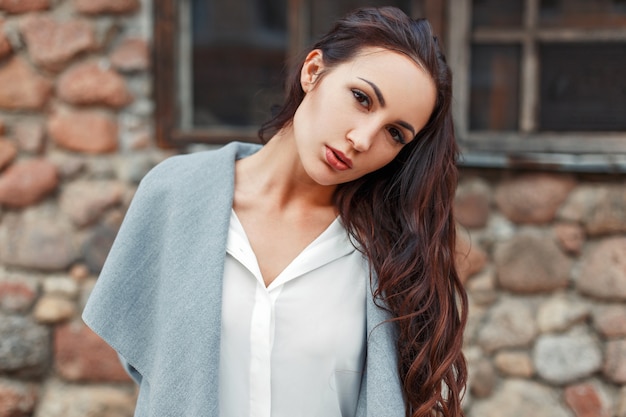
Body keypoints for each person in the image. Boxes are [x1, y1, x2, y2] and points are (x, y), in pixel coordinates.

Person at [83, 6, 467, 417]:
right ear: (313, 71)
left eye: (395, 133)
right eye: (361, 98)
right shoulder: (175, 194)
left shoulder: (388, 252)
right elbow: (152, 362)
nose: (361, 139)